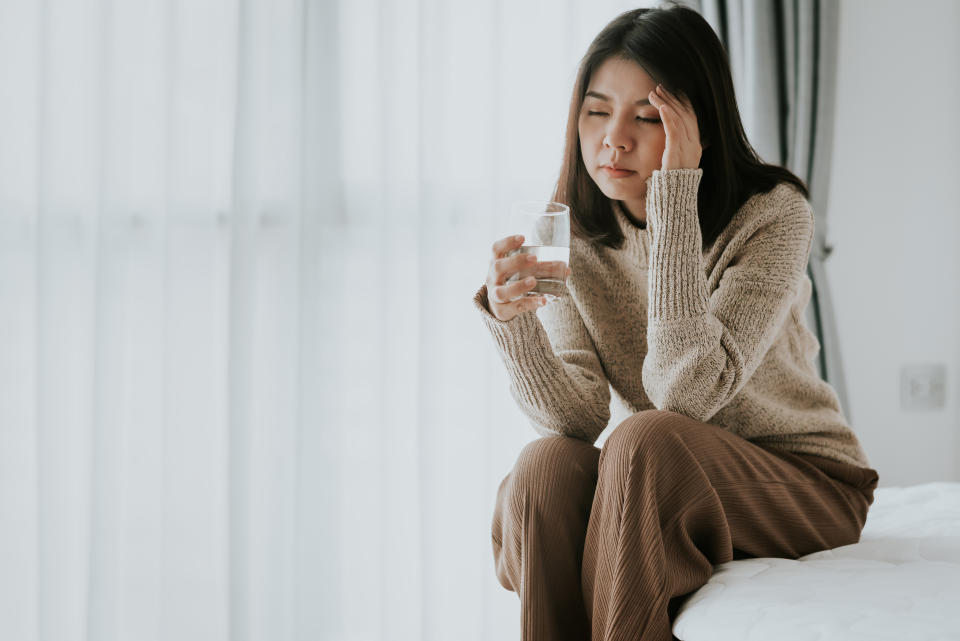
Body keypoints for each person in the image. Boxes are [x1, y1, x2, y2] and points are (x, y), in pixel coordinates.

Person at [472, 4, 879, 641]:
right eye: (598, 110)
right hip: (668, 474)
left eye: (647, 116)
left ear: (699, 128)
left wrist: (673, 203)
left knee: (647, 437)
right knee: (547, 464)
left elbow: (686, 393)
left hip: (803, 480)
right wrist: (512, 321)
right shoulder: (572, 236)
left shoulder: (772, 216)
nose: (614, 139)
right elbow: (575, 420)